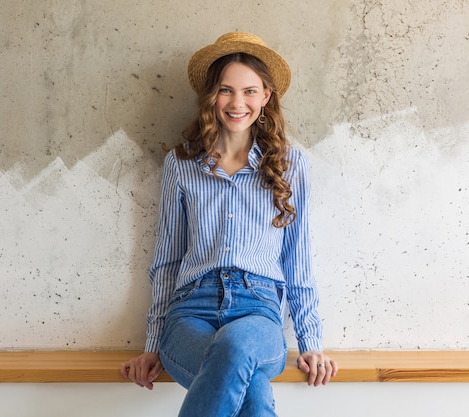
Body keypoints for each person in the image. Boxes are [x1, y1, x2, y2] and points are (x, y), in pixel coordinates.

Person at [120, 32, 338, 416]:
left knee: (237, 347)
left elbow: (297, 259)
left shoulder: (290, 165)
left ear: (266, 96)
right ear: (211, 97)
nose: (238, 103)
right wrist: (153, 343)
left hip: (259, 313)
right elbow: (167, 260)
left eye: (250, 91)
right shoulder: (181, 165)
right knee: (250, 391)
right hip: (190, 312)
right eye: (226, 90)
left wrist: (310, 342)